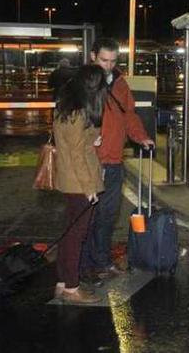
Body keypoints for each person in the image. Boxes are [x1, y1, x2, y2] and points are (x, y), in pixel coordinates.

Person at [80, 38, 154, 285]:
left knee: (108, 216)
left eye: (112, 61)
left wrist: (141, 137)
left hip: (113, 162)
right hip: (91, 162)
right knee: (88, 216)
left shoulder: (120, 84)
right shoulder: (84, 84)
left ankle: (101, 261)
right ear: (93, 56)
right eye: (103, 60)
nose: (108, 66)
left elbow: (129, 116)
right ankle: (84, 265)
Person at [52, 65, 107, 304]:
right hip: (79, 182)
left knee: (70, 233)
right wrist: (89, 188)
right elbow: (76, 154)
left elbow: (73, 144)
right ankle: (72, 288)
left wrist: (91, 139)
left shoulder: (65, 109)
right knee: (77, 235)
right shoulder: (78, 114)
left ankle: (63, 282)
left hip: (70, 179)